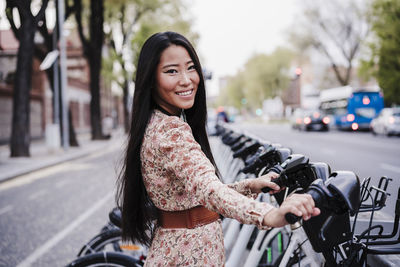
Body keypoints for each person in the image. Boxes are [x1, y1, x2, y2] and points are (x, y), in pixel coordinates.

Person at [117, 31, 320, 266]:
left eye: (191, 68)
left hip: (177, 250)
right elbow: (210, 192)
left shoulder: (158, 122)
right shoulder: (171, 132)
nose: (186, 80)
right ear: (150, 79)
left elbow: (195, 196)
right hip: (190, 256)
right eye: (171, 71)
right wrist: (270, 215)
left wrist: (250, 186)